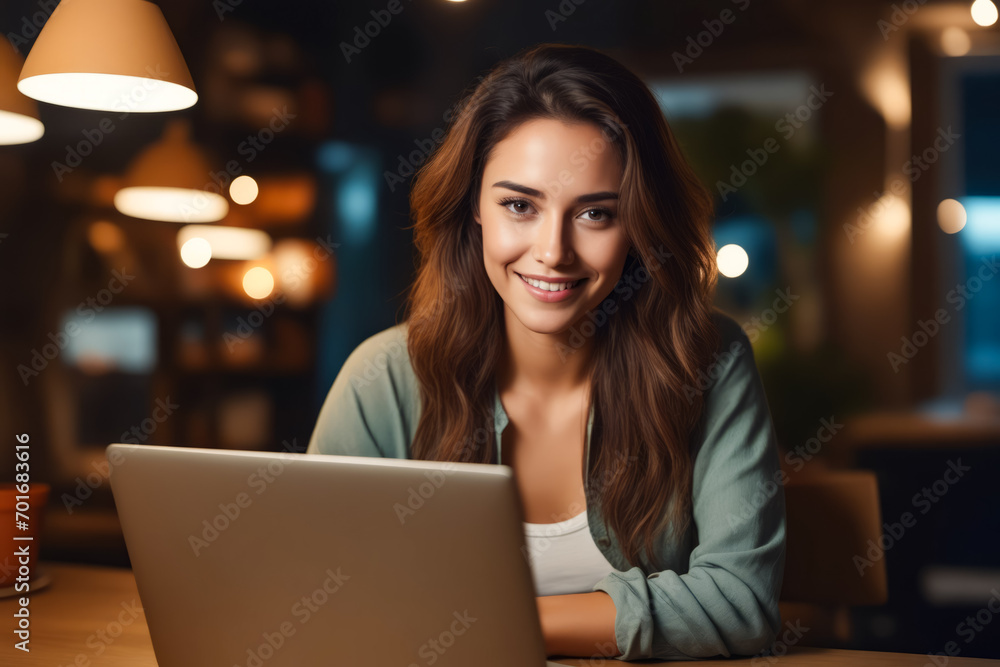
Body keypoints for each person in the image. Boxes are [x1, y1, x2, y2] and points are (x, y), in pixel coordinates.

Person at [307, 42, 786, 662]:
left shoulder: (709, 361)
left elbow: (739, 603)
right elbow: (318, 598)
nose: (553, 250)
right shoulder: (382, 378)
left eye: (594, 213)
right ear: (473, 207)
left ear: (639, 225)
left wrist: (494, 623)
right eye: (519, 206)